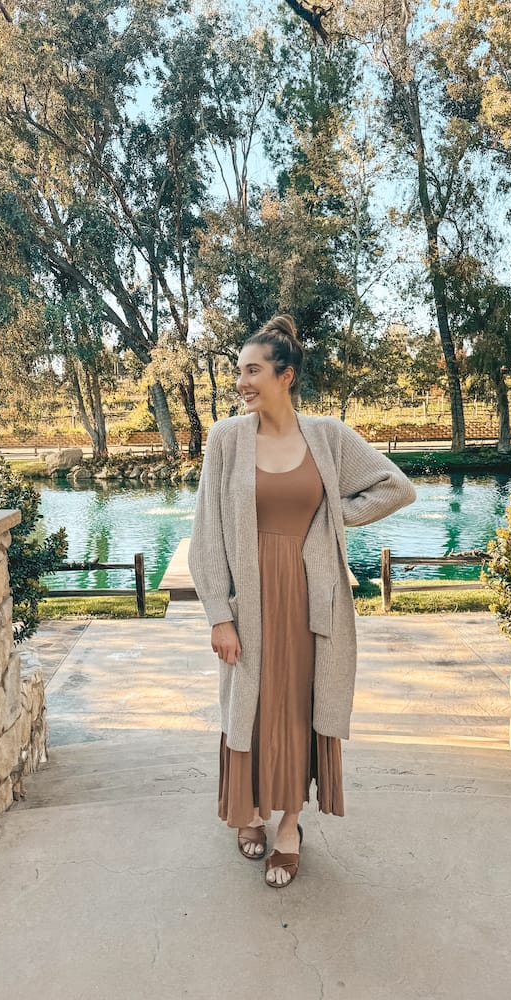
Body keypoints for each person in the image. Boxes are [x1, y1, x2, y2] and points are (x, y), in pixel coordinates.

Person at [188, 315, 416, 888]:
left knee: (300, 705)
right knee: (252, 705)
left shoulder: (329, 436)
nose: (241, 382)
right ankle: (254, 812)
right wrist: (219, 613)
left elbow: (396, 487)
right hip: (251, 599)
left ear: (285, 376)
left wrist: (332, 519)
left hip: (315, 600)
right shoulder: (227, 439)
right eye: (238, 371)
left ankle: (288, 826)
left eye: (253, 371)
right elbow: (207, 533)